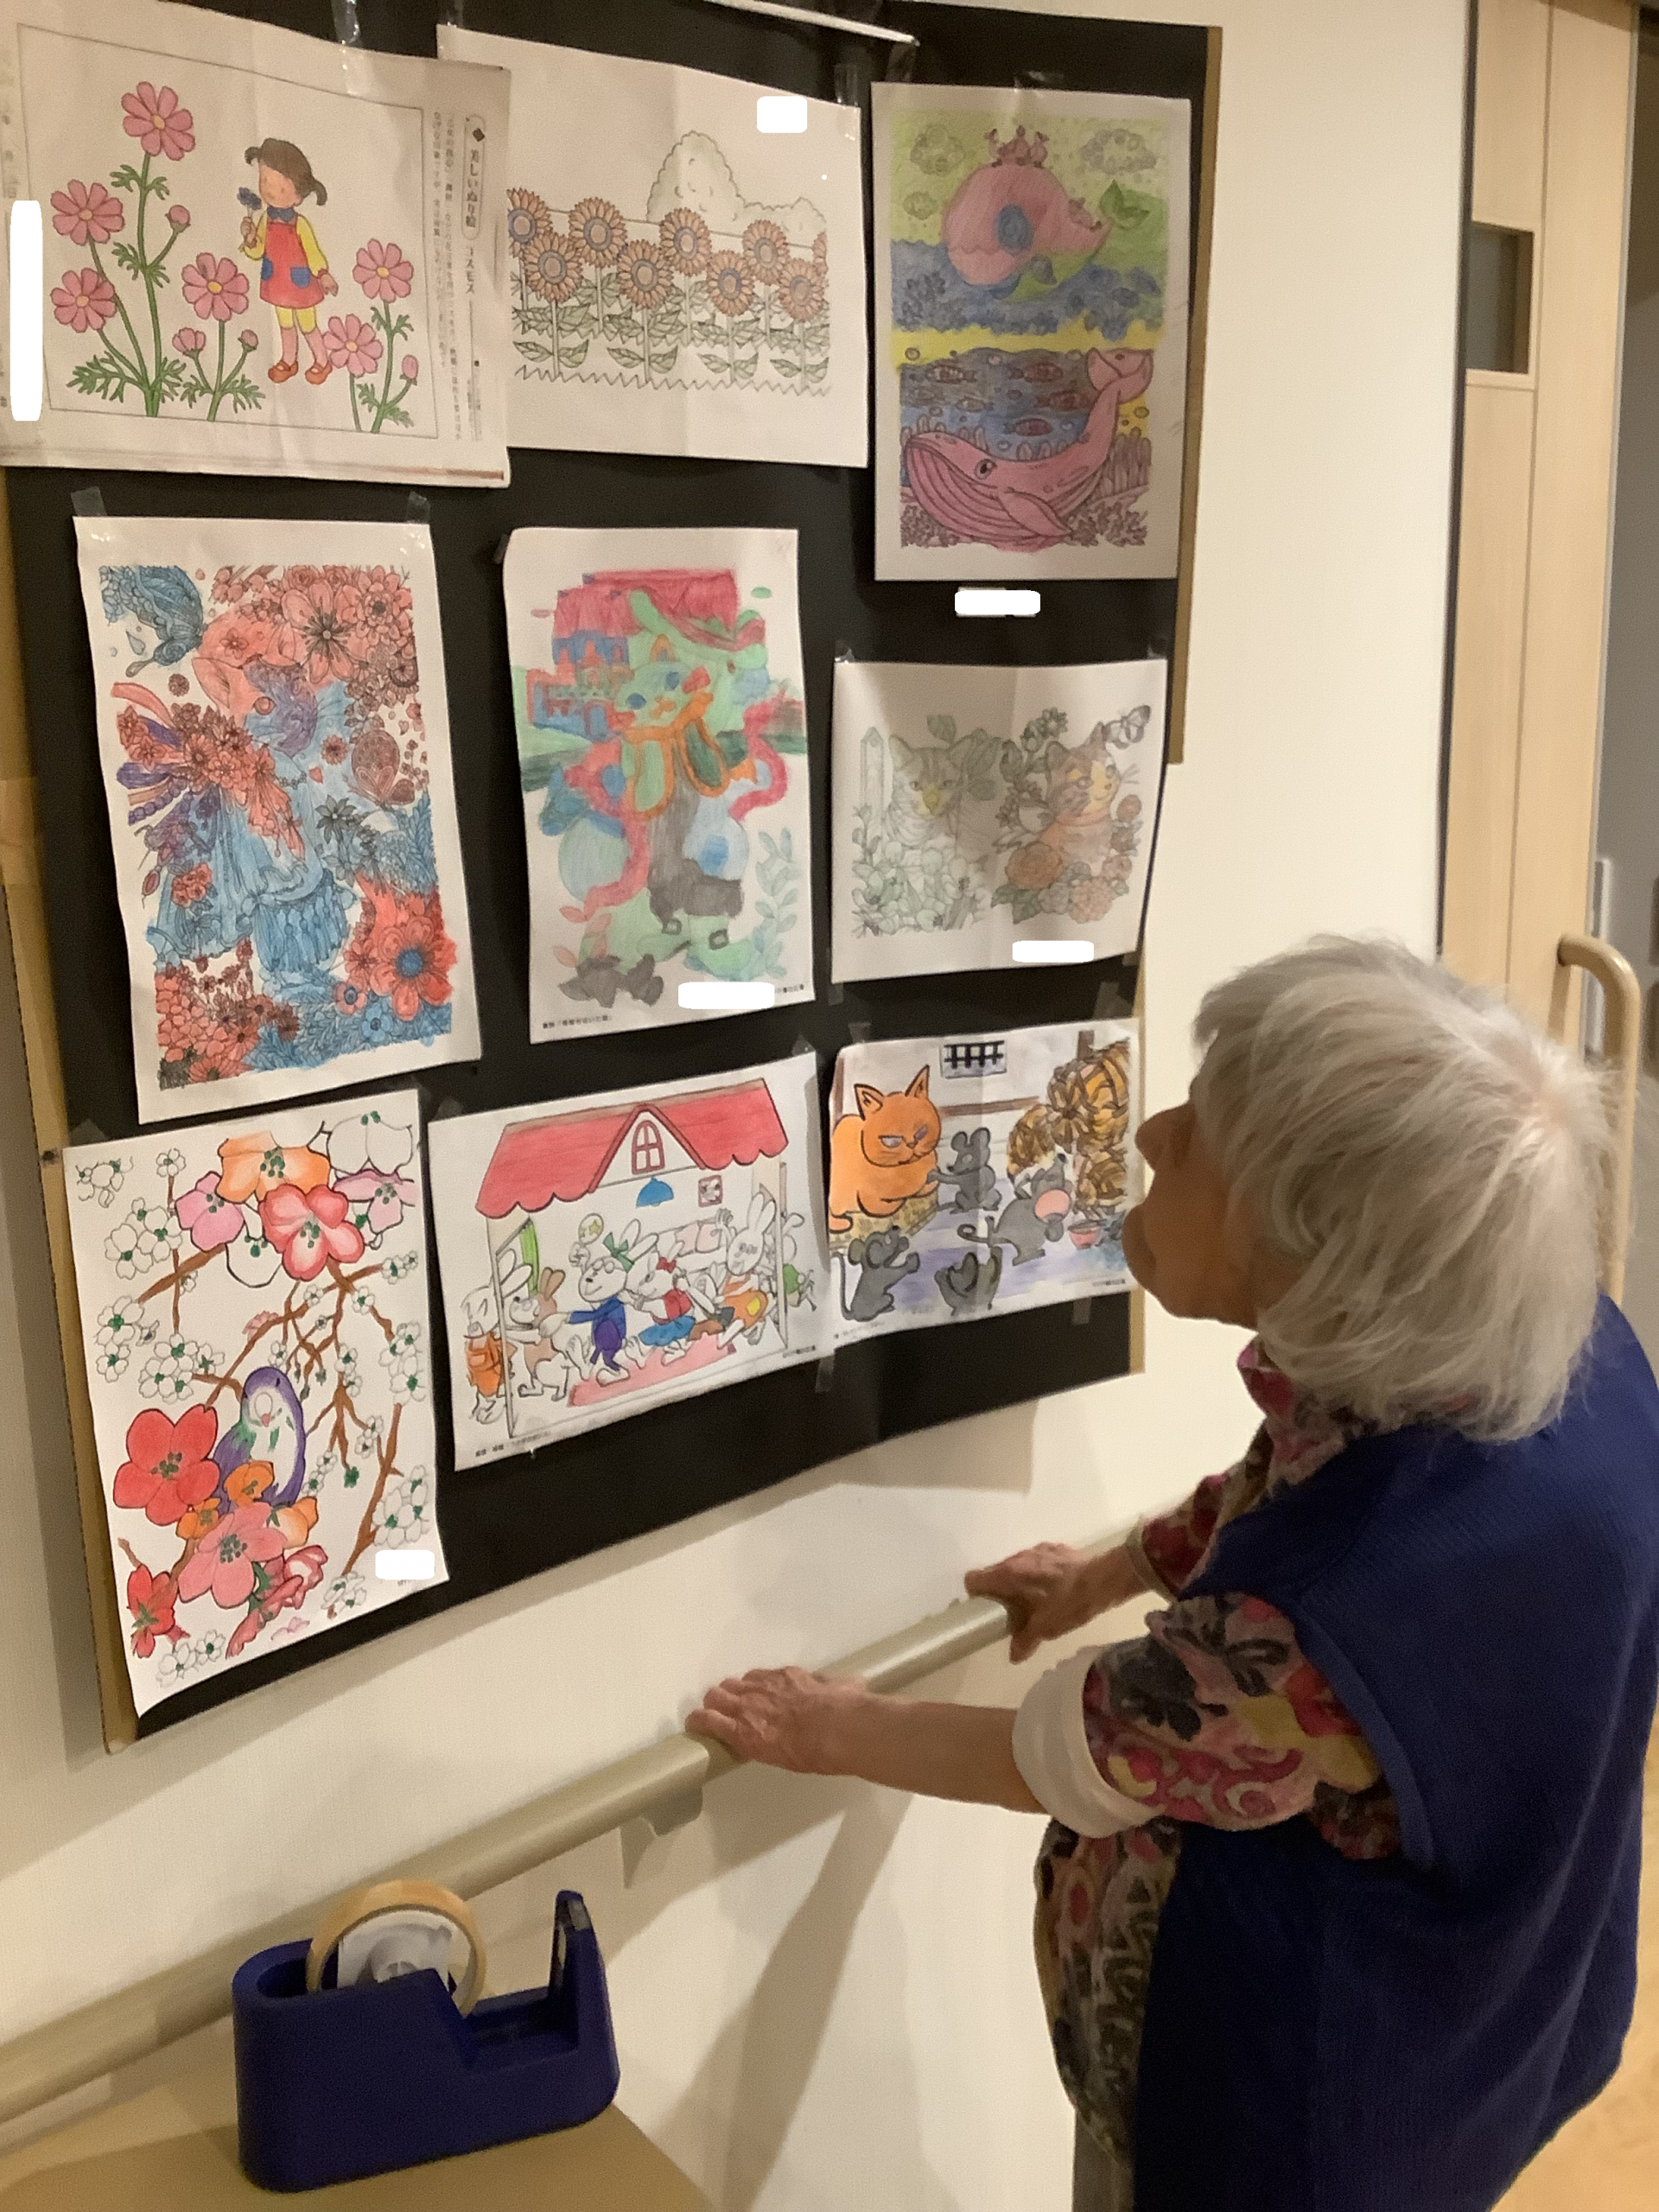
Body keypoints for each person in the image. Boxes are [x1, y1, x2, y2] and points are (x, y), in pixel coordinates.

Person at [689, 938, 1659, 2211]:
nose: (1148, 1134)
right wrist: (1107, 1573)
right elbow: (1296, 1479)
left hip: (1299, 2122)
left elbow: (1070, 1752)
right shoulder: (1529, 1341)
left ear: (1314, 1249)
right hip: (1497, 2007)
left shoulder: (1321, 1624)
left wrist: (828, 1727)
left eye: (1198, 1138)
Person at [238, 137, 337, 386]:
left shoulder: (299, 224)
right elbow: (258, 251)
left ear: (298, 197)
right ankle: (288, 360)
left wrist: (323, 274)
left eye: (280, 188)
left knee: (308, 324)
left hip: (300, 284)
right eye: (264, 181)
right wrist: (250, 239)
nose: (269, 191)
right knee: (284, 324)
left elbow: (313, 253)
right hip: (277, 281)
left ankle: (322, 361)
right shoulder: (266, 219)